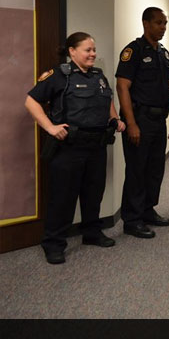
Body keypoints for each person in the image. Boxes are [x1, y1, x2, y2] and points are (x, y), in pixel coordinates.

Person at [25, 32, 126, 264]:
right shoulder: (58, 75)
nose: (93, 54)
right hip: (69, 148)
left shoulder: (99, 76)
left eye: (94, 49)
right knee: (63, 197)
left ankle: (91, 233)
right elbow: (31, 101)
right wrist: (50, 127)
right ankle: (53, 243)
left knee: (93, 193)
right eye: (87, 50)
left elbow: (107, 100)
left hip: (97, 145)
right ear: (72, 51)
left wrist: (115, 119)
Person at [116, 7, 169, 239]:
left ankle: (148, 210)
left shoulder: (163, 53)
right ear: (146, 23)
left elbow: (167, 85)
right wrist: (131, 124)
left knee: (155, 169)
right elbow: (123, 87)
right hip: (139, 119)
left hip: (159, 119)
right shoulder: (133, 51)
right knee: (137, 170)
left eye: (165, 23)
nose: (163, 27)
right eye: (159, 23)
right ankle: (132, 220)